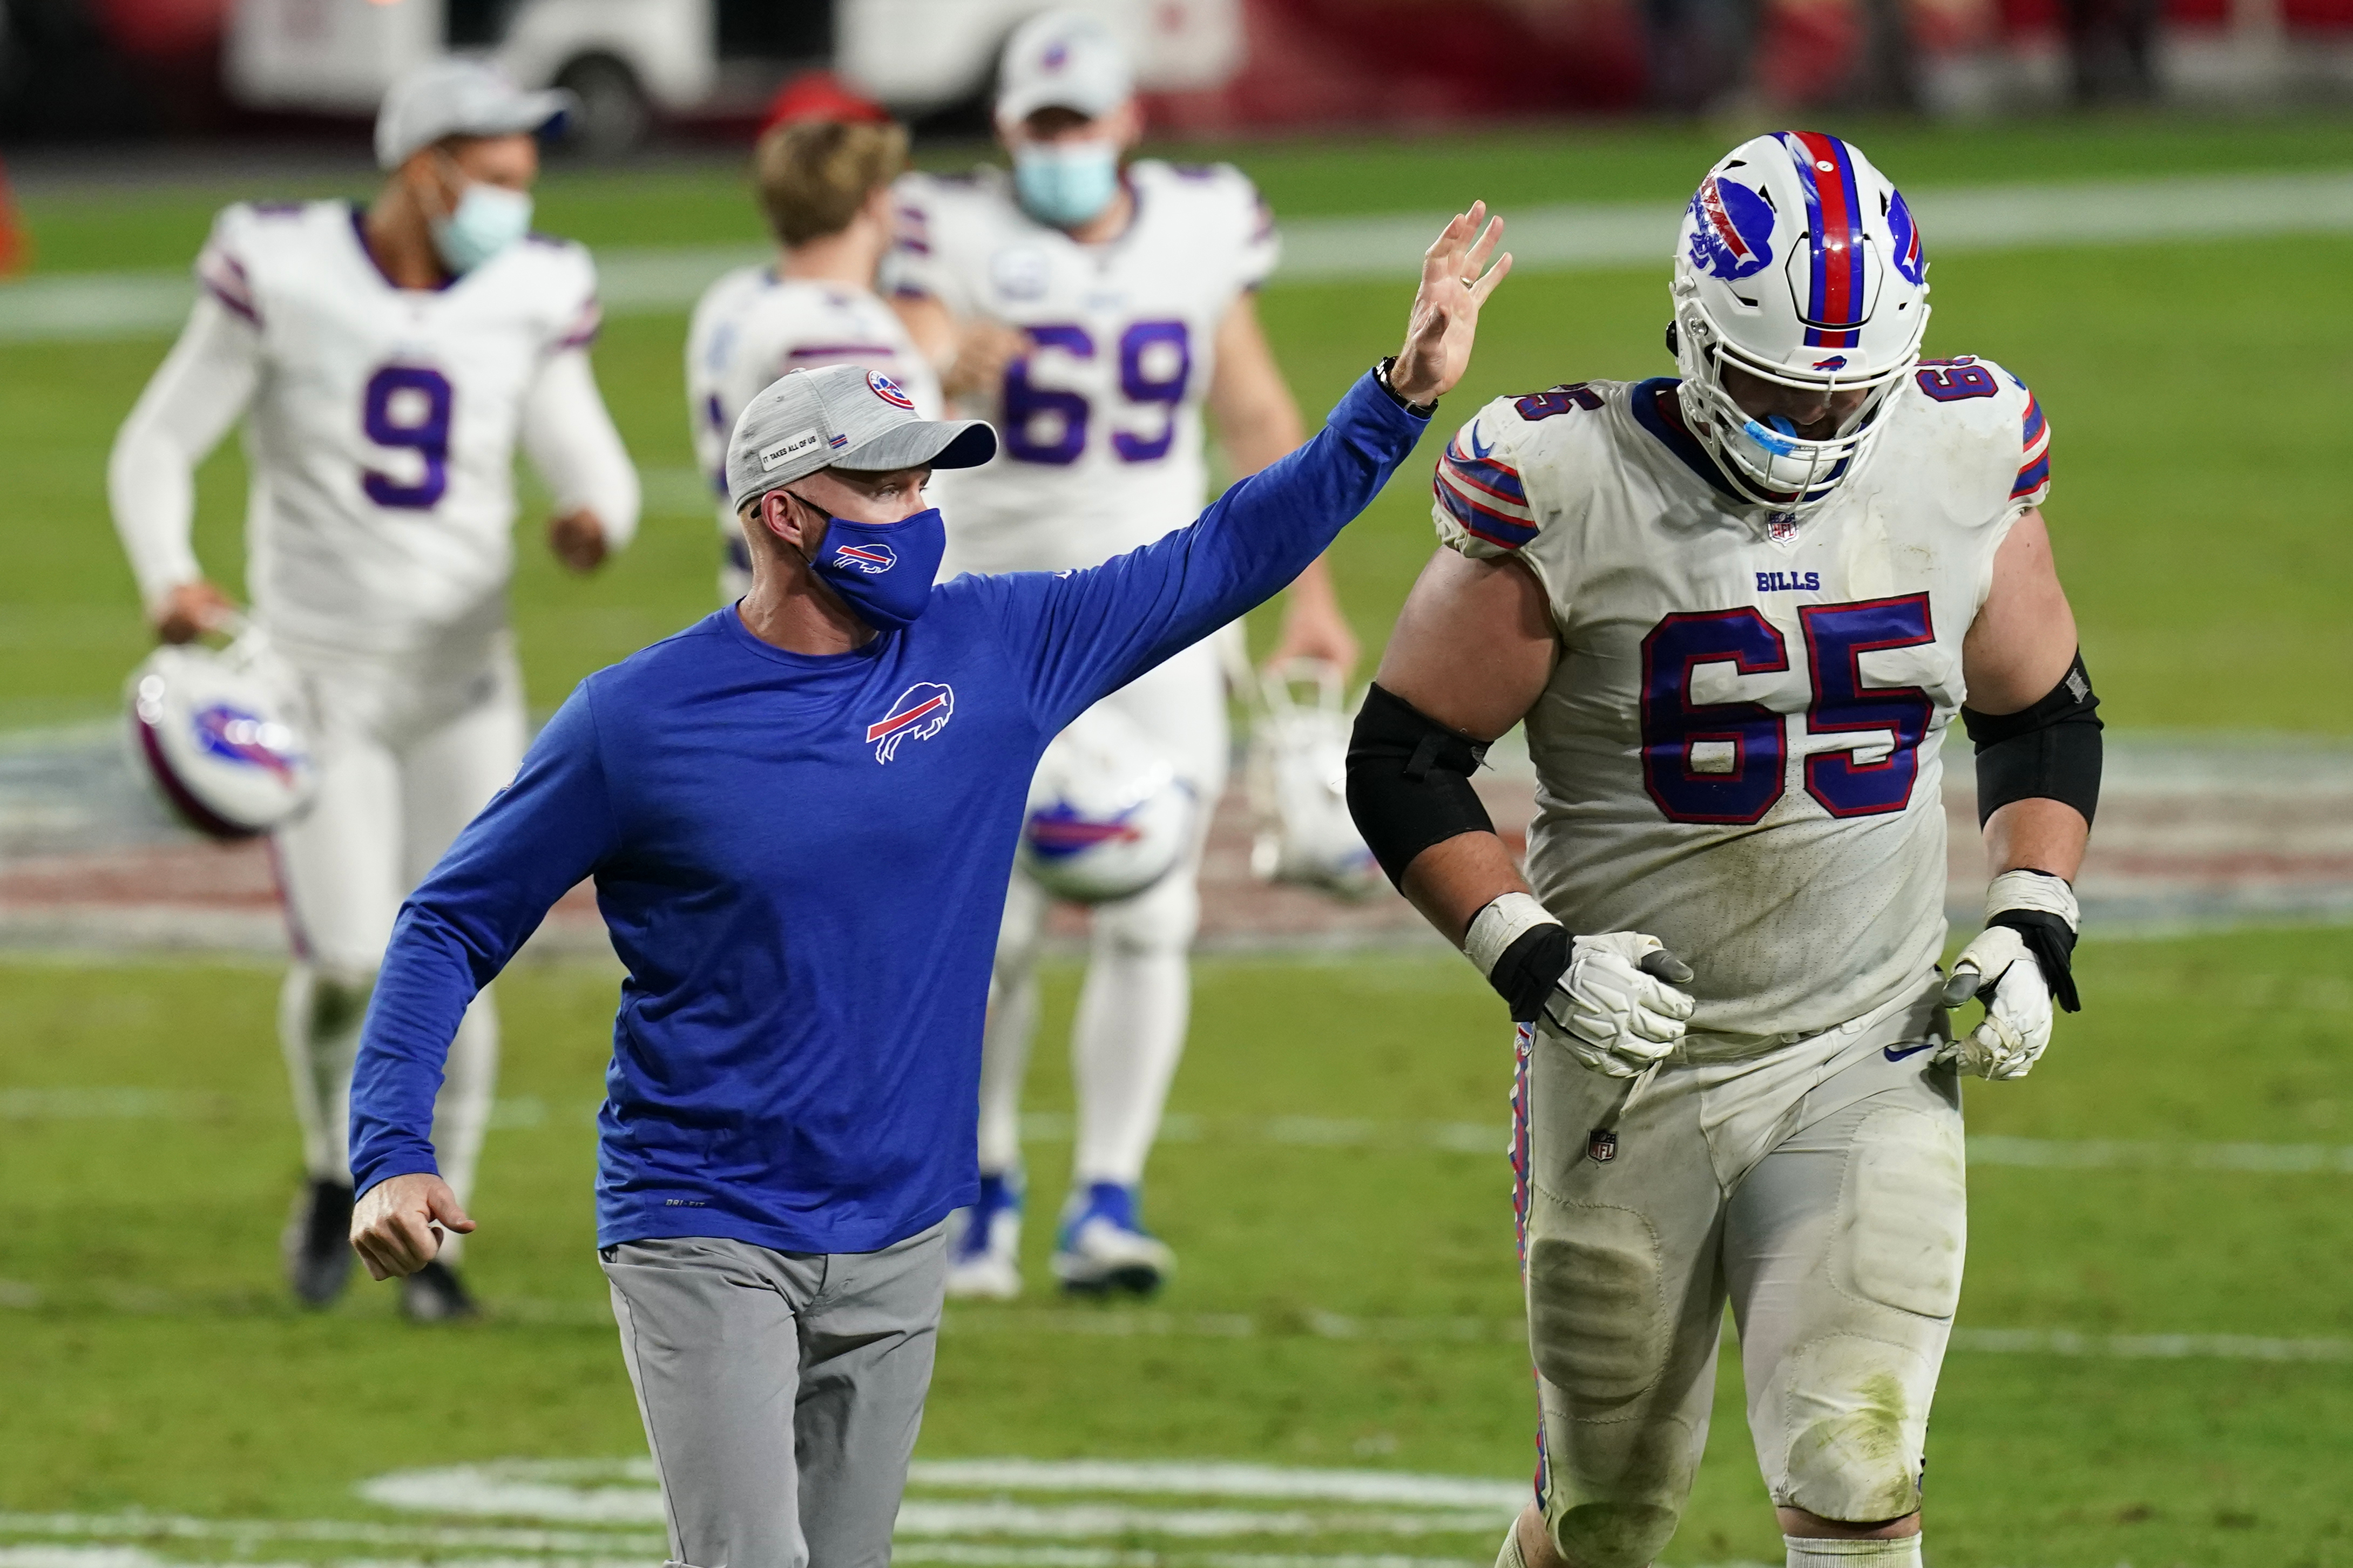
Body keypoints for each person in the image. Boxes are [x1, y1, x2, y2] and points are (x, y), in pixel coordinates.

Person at [347, 211, 1508, 1568]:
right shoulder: (639, 721)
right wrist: (392, 1150)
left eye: (925, 483)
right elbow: (450, 919)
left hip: (901, 1221)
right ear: (783, 514)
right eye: (884, 488)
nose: (918, 514)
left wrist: (1400, 397)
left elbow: (1224, 553)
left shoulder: (998, 645)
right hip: (703, 1216)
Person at [1346, 134, 2097, 1568]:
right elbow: (1402, 757)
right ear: (1690, 329)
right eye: (1766, 387)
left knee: (1855, 1462)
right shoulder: (1562, 477)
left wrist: (2026, 916)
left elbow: (2038, 713)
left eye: (1842, 394)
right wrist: (1533, 957)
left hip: (1862, 1042)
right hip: (1631, 1059)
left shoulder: (1959, 450)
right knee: (1607, 1515)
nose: (1805, 430)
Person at [106, 58, 640, 1322]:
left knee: (461, 964)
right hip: (313, 680)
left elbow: (589, 455)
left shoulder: (533, 287)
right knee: (351, 958)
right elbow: (157, 439)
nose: (518, 198)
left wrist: (594, 520)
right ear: (424, 167)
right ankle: (325, 1166)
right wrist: (170, 574)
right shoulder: (285, 267)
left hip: (463, 682)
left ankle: (436, 1244)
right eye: (497, 173)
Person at [886, 7, 1360, 1300]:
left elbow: (1253, 408)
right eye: (1038, 125)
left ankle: (1106, 1198)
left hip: (1159, 610)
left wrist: (1305, 592)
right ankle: (975, 1195)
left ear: (1125, 122)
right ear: (1004, 130)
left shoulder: (1201, 223)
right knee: (994, 923)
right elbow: (900, 351)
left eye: (1078, 122)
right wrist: (941, 354)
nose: (1059, 147)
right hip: (992, 608)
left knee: (1153, 907)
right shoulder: (953, 230)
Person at [686, 83, 1025, 604]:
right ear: (874, 202)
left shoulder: (732, 299)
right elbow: (867, 492)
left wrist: (939, 382)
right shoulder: (843, 331)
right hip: (834, 613)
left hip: (759, 590)